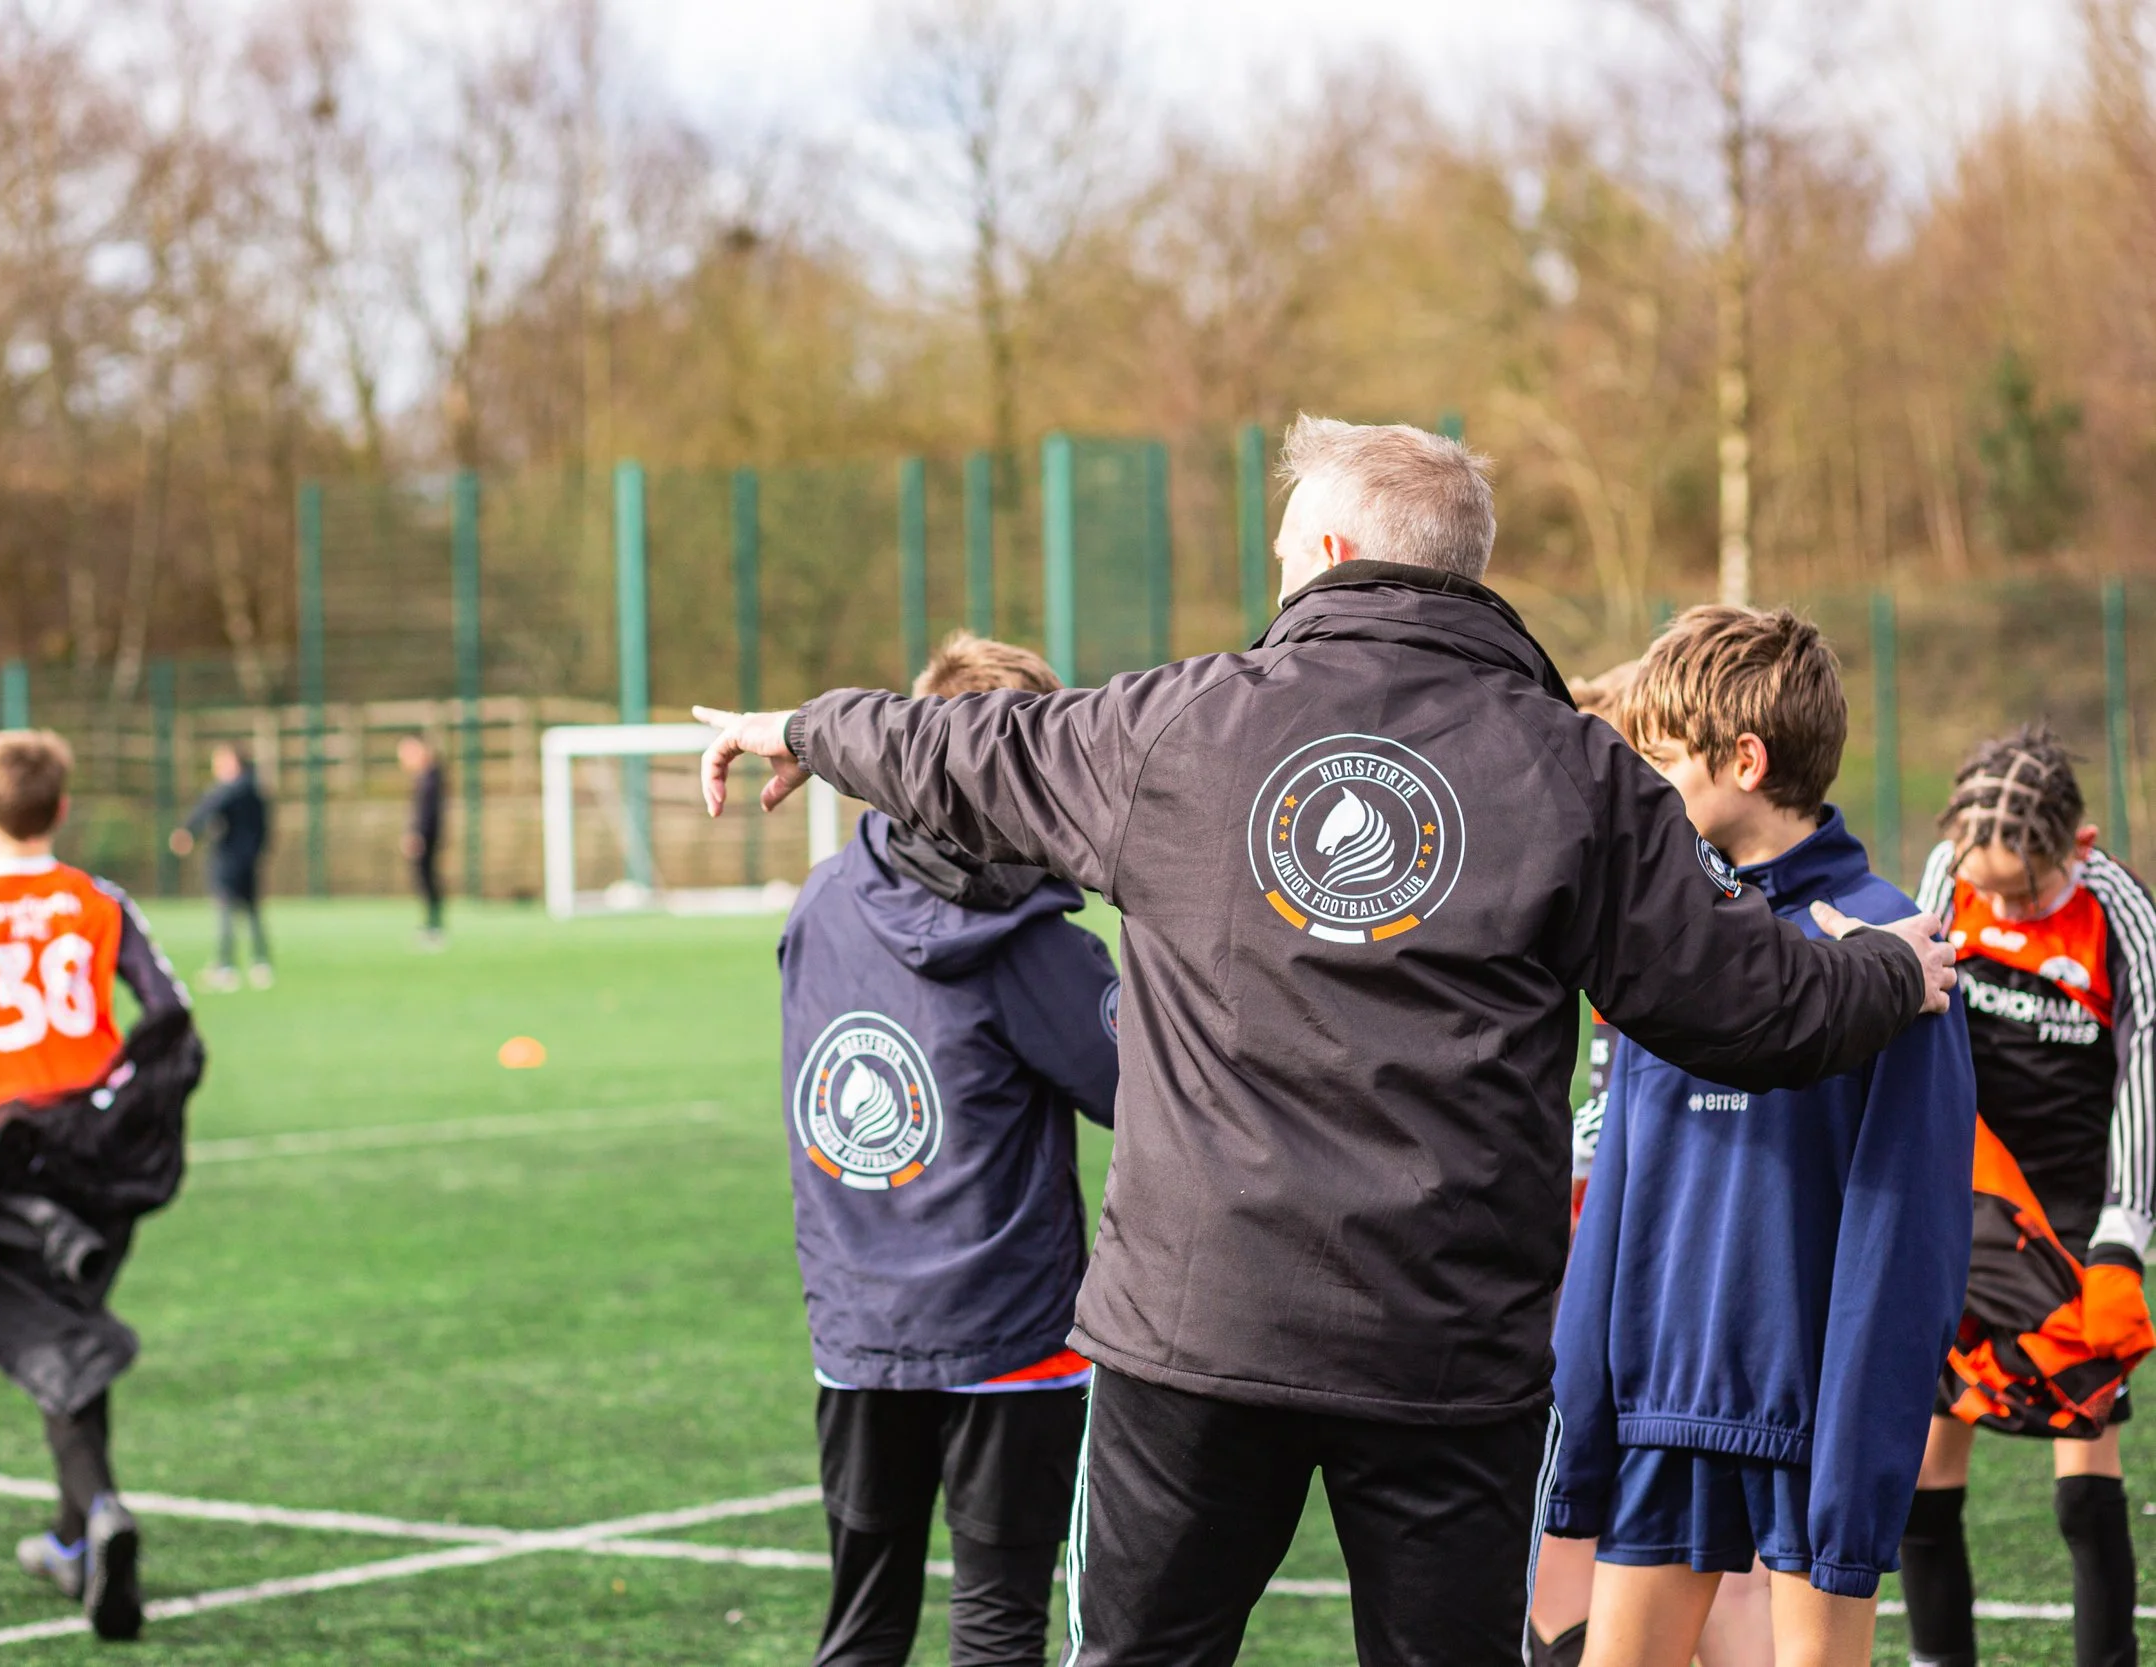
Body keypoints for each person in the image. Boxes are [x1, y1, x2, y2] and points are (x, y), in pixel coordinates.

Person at [694, 415, 1955, 1667]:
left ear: (1334, 548)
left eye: (1288, 550)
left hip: (1200, 1325)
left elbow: (963, 746)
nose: (1279, 576)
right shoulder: (1575, 770)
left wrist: (802, 729)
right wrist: (1889, 967)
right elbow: (1754, 1007)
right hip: (1446, 1347)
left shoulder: (1177, 726)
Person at [1543, 606, 1976, 1667]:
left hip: (1809, 1428)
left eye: (1659, 757)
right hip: (1662, 1408)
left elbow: (1905, 1230)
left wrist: (1857, 1455)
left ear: (1744, 759)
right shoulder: (1670, 944)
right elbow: (1621, 1188)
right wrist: (1585, 1401)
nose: (1640, 783)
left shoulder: (1896, 949)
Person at [779, 633, 1120, 1667]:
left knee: (863, 1618)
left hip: (858, 1322)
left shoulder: (823, 898)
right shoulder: (1034, 945)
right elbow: (1137, 1090)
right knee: (999, 1616)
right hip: (1010, 1331)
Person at [0, 729, 195, 1642]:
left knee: (55, 1333)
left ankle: (99, 1515)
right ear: (60, 811)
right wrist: (120, 1102)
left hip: (9, 1152)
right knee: (70, 1323)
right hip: (95, 1147)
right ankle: (73, 1533)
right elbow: (169, 1013)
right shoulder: (98, 900)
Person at [1533, 660, 1777, 1667]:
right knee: (1566, 1572)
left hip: (1666, 1282)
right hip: (1565, 1266)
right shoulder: (1548, 891)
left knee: (1701, 1570)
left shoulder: (1701, 915)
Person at [1898, 725, 2156, 1667]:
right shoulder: (1946, 873)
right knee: (1927, 1463)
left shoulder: (2116, 908)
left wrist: (2122, 1242)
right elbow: (1915, 1028)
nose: (2001, 903)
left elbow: (2147, 1078)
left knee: (2085, 1478)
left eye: (2023, 890)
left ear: (2075, 848)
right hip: (1966, 1199)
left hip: (2077, 1218)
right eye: (1988, 886)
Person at [170, 743, 271, 990]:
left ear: (234, 763)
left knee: (226, 909)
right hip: (249, 858)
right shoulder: (255, 788)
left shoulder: (230, 790)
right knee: (251, 910)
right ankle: (261, 962)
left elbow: (208, 807)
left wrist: (187, 831)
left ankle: (226, 966)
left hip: (229, 859)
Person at [399, 735, 445, 948]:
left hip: (427, 837)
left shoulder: (430, 778)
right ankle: (432, 925)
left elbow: (427, 814)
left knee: (427, 881)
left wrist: (417, 834)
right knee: (425, 881)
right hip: (426, 836)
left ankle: (434, 927)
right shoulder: (427, 777)